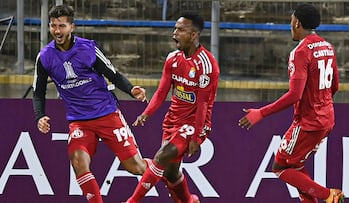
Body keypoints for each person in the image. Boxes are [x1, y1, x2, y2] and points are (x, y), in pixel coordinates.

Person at [32, 5, 148, 203]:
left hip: (107, 114)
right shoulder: (44, 57)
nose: (57, 31)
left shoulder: (88, 48)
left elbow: (114, 75)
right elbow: (38, 92)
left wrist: (131, 90)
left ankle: (169, 175)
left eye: (61, 26)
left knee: (136, 168)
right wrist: (40, 116)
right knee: (78, 162)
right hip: (79, 120)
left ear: (72, 27)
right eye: (53, 26)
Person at [239, 3, 344, 203]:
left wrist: (261, 113)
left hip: (307, 123)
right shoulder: (328, 47)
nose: (290, 25)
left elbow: (294, 95)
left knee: (280, 167)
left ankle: (329, 195)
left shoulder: (300, 52)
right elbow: (334, 86)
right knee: (295, 166)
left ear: (296, 23)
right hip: (327, 119)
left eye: (290, 21)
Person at [123, 12, 220, 203]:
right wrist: (147, 113)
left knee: (160, 158)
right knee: (171, 173)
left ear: (194, 35)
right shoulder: (172, 59)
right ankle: (189, 200)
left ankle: (132, 201)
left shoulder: (207, 65)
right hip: (173, 120)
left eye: (180, 30)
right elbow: (161, 91)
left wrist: (197, 136)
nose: (174, 33)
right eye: (175, 29)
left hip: (194, 123)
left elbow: (202, 104)